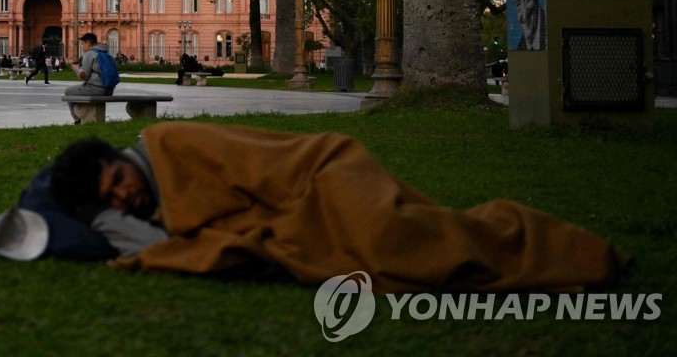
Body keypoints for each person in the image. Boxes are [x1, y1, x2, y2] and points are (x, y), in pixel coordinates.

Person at [41, 122, 627, 294]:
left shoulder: (173, 143)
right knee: (375, 256)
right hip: (297, 210)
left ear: (122, 159)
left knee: (390, 237)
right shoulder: (144, 202)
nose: (123, 196)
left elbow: (270, 168)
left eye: (117, 180)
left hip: (326, 171)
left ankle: (530, 241)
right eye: (110, 200)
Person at [65, 33, 112, 123]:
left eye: (83, 44)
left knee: (68, 91)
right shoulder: (107, 54)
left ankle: (77, 119)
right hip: (109, 90)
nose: (82, 47)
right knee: (80, 89)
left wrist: (77, 69)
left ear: (88, 43)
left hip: (97, 89)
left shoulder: (90, 54)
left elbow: (84, 76)